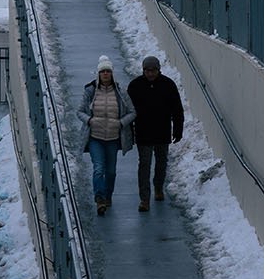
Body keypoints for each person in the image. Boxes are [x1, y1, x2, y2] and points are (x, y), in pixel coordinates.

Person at [126, 55, 184, 211]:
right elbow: (128, 111)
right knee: (144, 165)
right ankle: (144, 199)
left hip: (162, 132)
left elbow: (177, 109)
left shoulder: (168, 85)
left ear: (159, 70)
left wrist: (178, 129)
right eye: (147, 70)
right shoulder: (135, 86)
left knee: (161, 162)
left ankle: (158, 186)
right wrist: (130, 132)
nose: (150, 74)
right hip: (143, 133)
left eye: (153, 70)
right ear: (143, 70)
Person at [77, 56, 134, 216]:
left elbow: (132, 112)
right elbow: (79, 111)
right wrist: (90, 120)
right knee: (98, 168)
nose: (106, 74)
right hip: (96, 138)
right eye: (103, 72)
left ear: (112, 73)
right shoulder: (90, 91)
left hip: (113, 139)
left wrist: (121, 123)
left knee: (111, 171)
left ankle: (108, 196)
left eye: (108, 71)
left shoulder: (120, 93)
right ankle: (99, 198)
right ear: (98, 74)